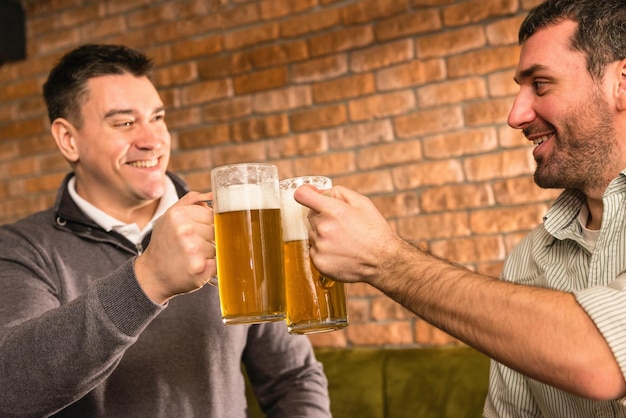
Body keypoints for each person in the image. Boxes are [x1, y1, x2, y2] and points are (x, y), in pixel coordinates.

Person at [294, 0, 626, 416]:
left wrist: (385, 259)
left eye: (540, 84)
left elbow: (600, 356)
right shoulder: (530, 259)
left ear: (621, 82)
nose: (516, 115)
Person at [0, 43, 330, 418]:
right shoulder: (21, 248)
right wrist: (147, 280)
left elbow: (293, 377)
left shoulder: (236, 226)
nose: (152, 140)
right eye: (124, 122)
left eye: (157, 118)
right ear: (68, 139)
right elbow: (9, 389)